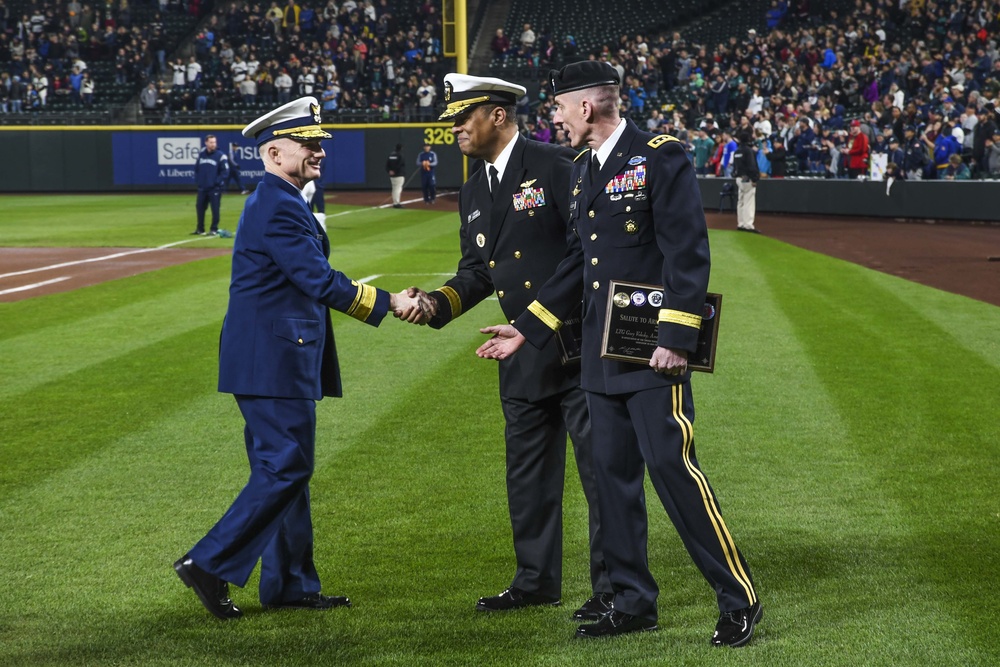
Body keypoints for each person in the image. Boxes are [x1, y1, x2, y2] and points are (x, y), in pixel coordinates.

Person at [475, 61, 760, 646]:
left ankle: (739, 599)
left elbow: (687, 254)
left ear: (586, 107)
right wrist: (527, 330)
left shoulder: (661, 155)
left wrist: (676, 341)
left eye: (559, 106)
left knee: (674, 473)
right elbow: (576, 264)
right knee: (613, 481)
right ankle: (632, 602)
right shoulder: (583, 171)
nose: (553, 117)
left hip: (653, 353)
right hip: (598, 356)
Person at [173, 96, 422, 621]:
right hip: (273, 359)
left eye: (318, 144)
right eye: (308, 144)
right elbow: (316, 279)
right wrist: (389, 301)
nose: (318, 153)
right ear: (274, 151)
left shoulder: (281, 198)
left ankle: (289, 583)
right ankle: (209, 562)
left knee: (284, 468)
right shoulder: (278, 203)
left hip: (276, 357)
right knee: (287, 465)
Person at [402, 73, 612, 621]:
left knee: (600, 473)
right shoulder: (473, 189)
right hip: (520, 353)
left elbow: (588, 251)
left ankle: (613, 587)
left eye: (462, 117)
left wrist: (548, 319)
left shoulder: (556, 165)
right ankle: (536, 581)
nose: (454, 129)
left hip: (576, 346)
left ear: (498, 115)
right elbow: (475, 271)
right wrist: (436, 304)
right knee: (527, 475)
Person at [192, 135, 229, 236]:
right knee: (200, 208)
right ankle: (200, 229)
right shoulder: (201, 155)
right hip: (202, 188)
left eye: (214, 142)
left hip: (214, 188)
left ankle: (214, 229)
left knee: (215, 209)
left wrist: (217, 182)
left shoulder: (220, 155)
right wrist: (199, 181)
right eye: (211, 142)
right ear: (206, 143)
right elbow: (196, 169)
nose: (213, 144)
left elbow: (225, 171)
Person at [732, 130, 761, 233]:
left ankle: (740, 223)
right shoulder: (748, 151)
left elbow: (734, 167)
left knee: (741, 201)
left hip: (739, 178)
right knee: (748, 201)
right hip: (747, 178)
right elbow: (752, 166)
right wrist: (755, 178)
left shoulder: (737, 151)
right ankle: (748, 225)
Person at [386, 143, 405, 208]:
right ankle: (396, 203)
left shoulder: (391, 155)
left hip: (392, 176)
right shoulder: (400, 155)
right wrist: (395, 171)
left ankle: (395, 202)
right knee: (398, 189)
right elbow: (400, 164)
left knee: (394, 189)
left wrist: (389, 171)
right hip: (399, 174)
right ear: (401, 148)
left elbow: (387, 165)